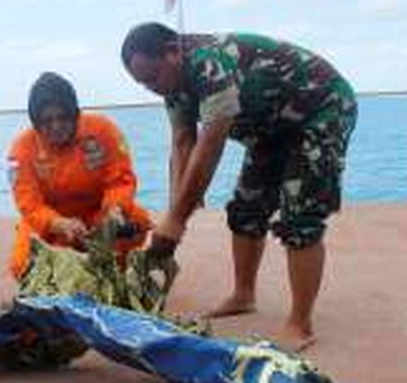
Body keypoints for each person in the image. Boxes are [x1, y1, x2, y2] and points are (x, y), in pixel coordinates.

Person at [121, 23, 357, 351]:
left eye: (154, 76)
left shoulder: (209, 64)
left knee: (300, 218)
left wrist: (177, 220)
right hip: (269, 128)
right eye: (143, 83)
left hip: (320, 110)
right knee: (246, 209)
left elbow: (211, 140)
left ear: (173, 52)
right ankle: (243, 294)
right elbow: (183, 140)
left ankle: (300, 323)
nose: (153, 87)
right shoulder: (171, 85)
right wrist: (175, 213)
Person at [7, 72, 152, 278]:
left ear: (75, 113)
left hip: (97, 216)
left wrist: (114, 211)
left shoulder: (103, 130)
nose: (56, 126)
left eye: (62, 117)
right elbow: (29, 205)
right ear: (35, 122)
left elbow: (120, 181)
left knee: (139, 223)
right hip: (52, 224)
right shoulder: (21, 149)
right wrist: (58, 224)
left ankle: (111, 272)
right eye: (47, 121)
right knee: (21, 264)